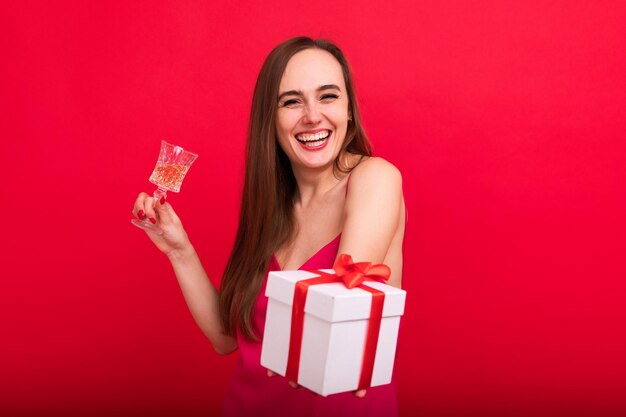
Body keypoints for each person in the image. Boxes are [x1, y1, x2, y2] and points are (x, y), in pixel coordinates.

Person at [132, 36, 405, 417]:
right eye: (291, 101)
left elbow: (343, 299)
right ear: (270, 119)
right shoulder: (269, 208)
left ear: (349, 111)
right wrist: (180, 250)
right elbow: (227, 339)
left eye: (328, 96)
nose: (312, 115)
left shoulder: (374, 178)